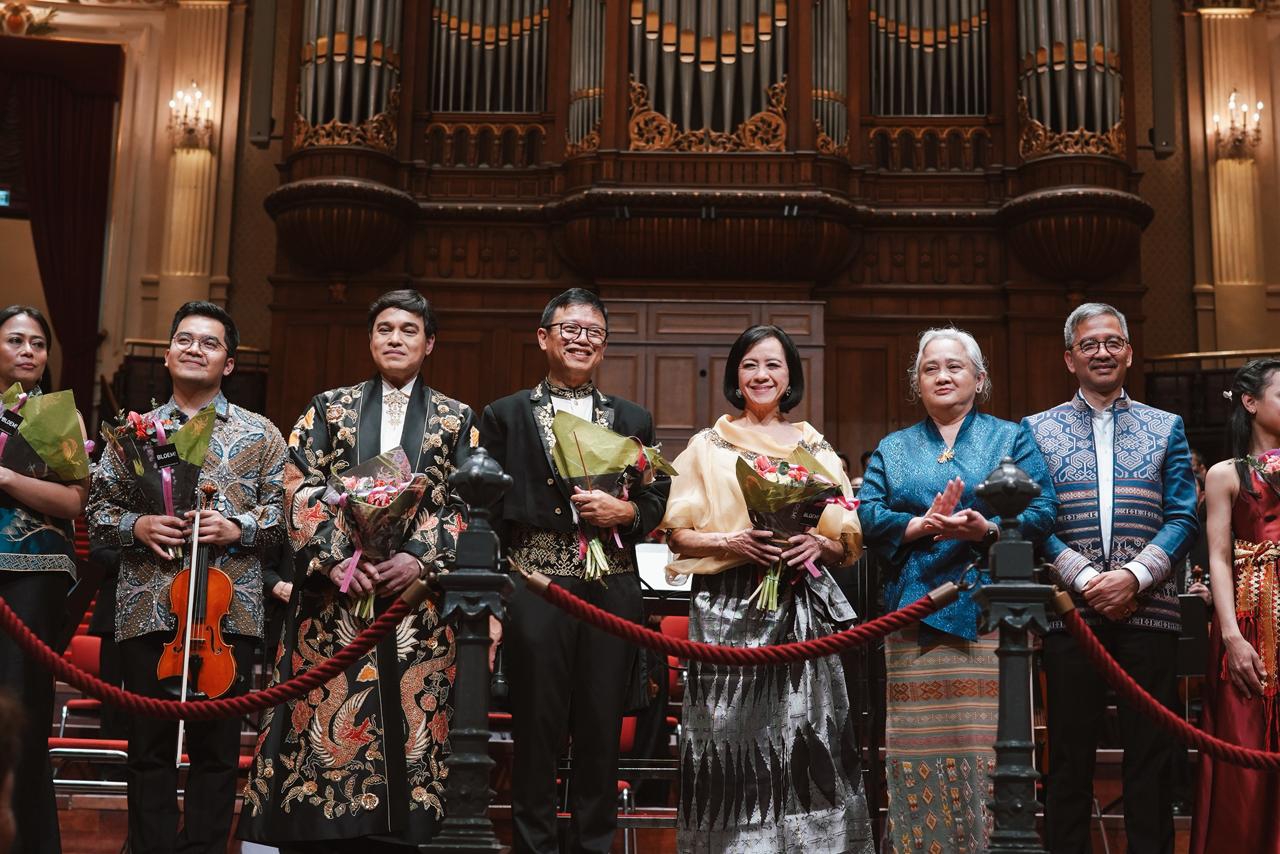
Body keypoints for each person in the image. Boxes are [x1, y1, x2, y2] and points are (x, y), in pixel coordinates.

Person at [239, 289, 474, 853]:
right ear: (370, 340)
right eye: (385, 329)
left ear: (430, 343)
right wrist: (340, 556)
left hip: (414, 601)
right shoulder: (327, 408)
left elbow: (468, 504)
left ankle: (405, 831)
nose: (395, 339)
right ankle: (320, 829)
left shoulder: (456, 418)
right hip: (334, 601)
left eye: (409, 330)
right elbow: (293, 488)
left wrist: (417, 557)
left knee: (411, 723)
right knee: (325, 716)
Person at [662, 324, 874, 853]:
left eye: (773, 365)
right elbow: (678, 536)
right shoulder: (706, 446)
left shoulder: (813, 444)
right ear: (736, 374)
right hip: (727, 606)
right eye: (751, 364)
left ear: (790, 376)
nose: (762, 375)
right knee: (729, 740)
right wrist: (733, 541)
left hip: (800, 604)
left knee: (807, 736)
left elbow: (846, 535)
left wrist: (816, 546)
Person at [87, 301, 286, 854]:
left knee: (218, 751)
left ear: (228, 363)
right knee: (148, 747)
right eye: (185, 339)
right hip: (147, 604)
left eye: (210, 342)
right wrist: (138, 523)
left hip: (230, 613)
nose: (195, 348)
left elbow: (287, 518)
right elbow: (97, 515)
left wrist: (238, 526)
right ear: (170, 353)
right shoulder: (132, 433)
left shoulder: (261, 434)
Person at [479, 288, 670, 854]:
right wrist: (492, 604)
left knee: (600, 731)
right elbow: (483, 514)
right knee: (535, 731)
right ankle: (533, 847)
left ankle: (593, 846)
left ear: (603, 346)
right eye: (571, 329)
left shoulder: (632, 419)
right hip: (535, 586)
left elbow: (660, 497)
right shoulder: (505, 415)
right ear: (544, 337)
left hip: (611, 588)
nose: (581, 339)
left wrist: (629, 511)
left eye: (593, 332)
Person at [859, 327, 1056, 854]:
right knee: (916, 753)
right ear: (916, 383)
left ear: (979, 379)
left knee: (991, 751)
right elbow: (868, 515)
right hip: (913, 614)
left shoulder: (1010, 438)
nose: (942, 376)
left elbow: (1042, 511)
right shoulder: (893, 447)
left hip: (994, 618)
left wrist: (985, 529)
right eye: (930, 369)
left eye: (954, 366)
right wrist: (921, 526)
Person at [1024, 303, 1198, 854]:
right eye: (1089, 344)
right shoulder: (1036, 429)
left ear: (1129, 352)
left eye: (1113, 342)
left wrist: (1133, 575)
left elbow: (1183, 516)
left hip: (1151, 609)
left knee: (1152, 754)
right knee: (1069, 756)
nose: (1102, 352)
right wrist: (1082, 577)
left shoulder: (1165, 425)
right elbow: (1031, 518)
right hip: (1071, 614)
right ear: (1069, 357)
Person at [0, 305, 88, 854]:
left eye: (37, 343)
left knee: (19, 711)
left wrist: (5, 476)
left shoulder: (60, 416)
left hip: (33, 574)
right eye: (14, 340)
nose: (28, 351)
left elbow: (75, 502)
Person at [1190, 357, 1280, 854]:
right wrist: (1229, 635)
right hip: (1247, 618)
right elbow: (1219, 558)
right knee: (1243, 745)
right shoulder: (1226, 474)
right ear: (1250, 402)